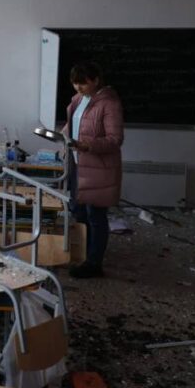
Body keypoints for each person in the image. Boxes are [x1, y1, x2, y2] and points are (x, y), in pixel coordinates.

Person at [62, 62, 124, 278]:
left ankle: (94, 263)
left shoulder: (109, 103)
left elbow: (115, 139)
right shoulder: (79, 99)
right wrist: (60, 137)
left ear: (96, 80)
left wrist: (87, 145)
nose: (78, 87)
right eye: (75, 83)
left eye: (83, 83)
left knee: (95, 215)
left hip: (98, 168)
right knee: (79, 212)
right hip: (78, 164)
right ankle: (83, 255)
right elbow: (72, 126)